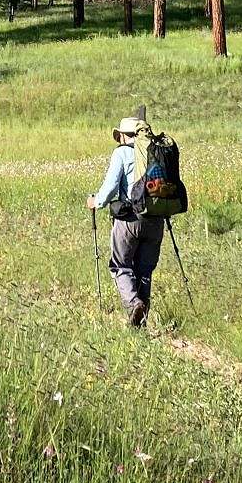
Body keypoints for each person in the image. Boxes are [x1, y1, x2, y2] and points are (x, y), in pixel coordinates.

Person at [88, 115, 159, 327]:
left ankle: (134, 304)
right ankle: (141, 321)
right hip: (156, 220)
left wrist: (95, 202)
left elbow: (109, 189)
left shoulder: (121, 153)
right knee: (144, 270)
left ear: (123, 136)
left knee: (120, 266)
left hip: (129, 218)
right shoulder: (155, 152)